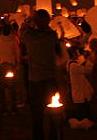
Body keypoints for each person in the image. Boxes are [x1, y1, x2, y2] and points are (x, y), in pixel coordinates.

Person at [20, 9, 60, 140]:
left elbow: (24, 29)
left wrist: (30, 20)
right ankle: (54, 136)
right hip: (50, 78)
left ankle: (38, 136)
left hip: (35, 79)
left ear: (35, 21)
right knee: (53, 111)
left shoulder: (29, 36)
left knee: (37, 114)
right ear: (48, 21)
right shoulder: (52, 36)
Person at [0, 21, 19, 114]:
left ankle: (3, 109)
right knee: (11, 88)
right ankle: (13, 108)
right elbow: (17, 52)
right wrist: (18, 64)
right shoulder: (13, 39)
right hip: (10, 66)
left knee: (0, 88)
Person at [66, 46, 94, 127]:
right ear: (73, 53)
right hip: (80, 90)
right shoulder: (74, 65)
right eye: (77, 52)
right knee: (83, 109)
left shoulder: (70, 63)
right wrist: (89, 60)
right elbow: (87, 70)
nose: (78, 54)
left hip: (78, 89)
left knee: (83, 106)